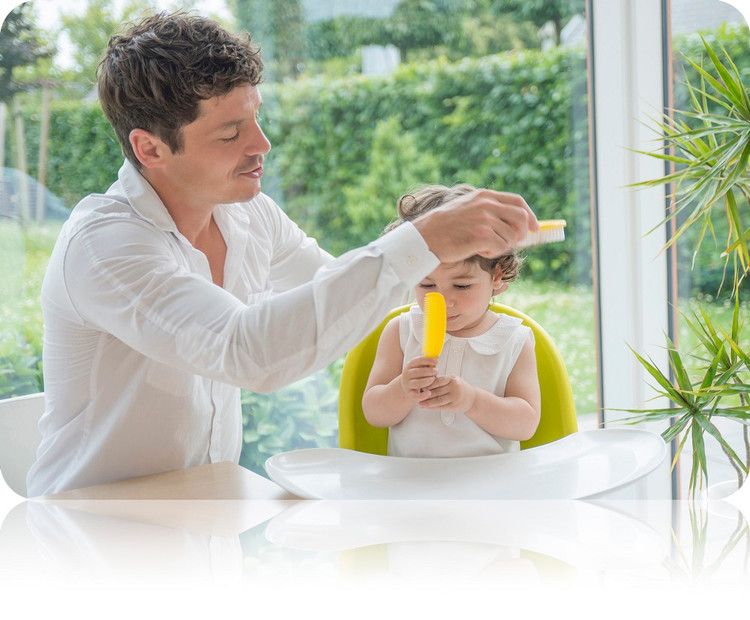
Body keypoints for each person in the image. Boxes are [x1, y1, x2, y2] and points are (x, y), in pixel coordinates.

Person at [26, 12, 537, 496]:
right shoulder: (105, 247)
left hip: (206, 505)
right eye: (231, 133)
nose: (262, 144)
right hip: (93, 521)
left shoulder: (251, 215)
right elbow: (250, 353)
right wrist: (424, 239)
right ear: (150, 149)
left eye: (255, 119)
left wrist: (454, 272)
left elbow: (338, 293)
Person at [362, 184, 541, 458]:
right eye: (426, 285)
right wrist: (402, 389)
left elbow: (525, 425)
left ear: (497, 276)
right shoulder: (401, 331)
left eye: (461, 286)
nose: (444, 301)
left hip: (490, 478)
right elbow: (374, 414)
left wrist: (472, 401)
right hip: (412, 476)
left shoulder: (513, 340)